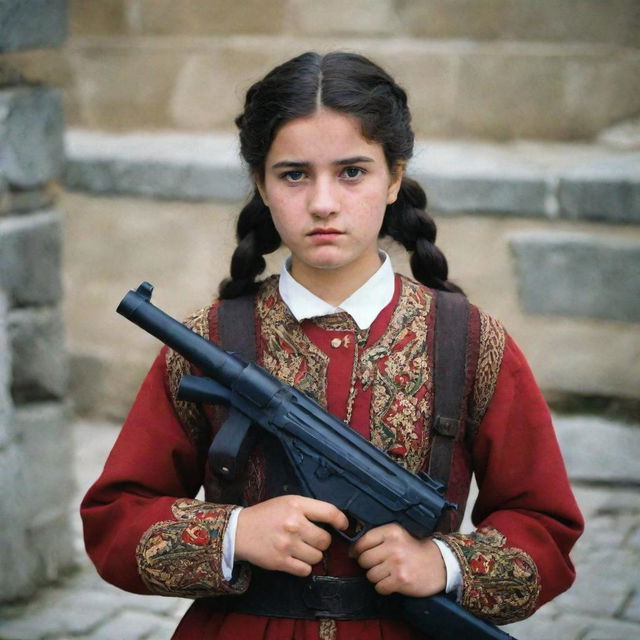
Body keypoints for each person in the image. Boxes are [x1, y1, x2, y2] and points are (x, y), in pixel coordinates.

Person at [81, 51, 584, 640]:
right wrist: (236, 533)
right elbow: (114, 521)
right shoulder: (208, 340)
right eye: (294, 174)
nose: (323, 202)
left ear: (394, 177)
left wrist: (442, 565)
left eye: (352, 172)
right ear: (262, 185)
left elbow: (545, 529)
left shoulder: (470, 342)